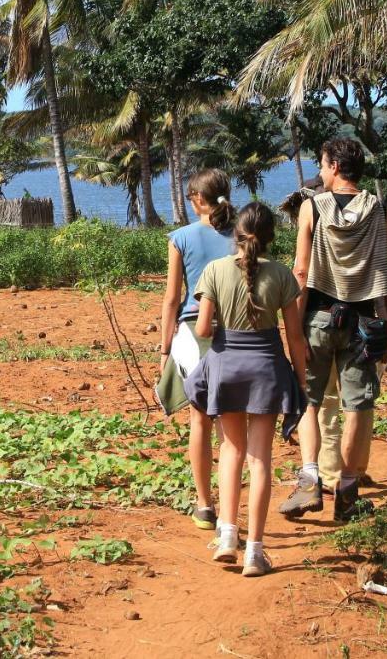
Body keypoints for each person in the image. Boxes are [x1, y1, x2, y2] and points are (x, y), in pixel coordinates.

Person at [280, 138, 387, 523]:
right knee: (358, 406)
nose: (319, 170)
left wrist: (294, 332)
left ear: (334, 166)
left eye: (321, 163)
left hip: (317, 316)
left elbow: (301, 271)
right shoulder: (380, 210)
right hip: (365, 323)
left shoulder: (311, 207)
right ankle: (347, 491)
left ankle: (310, 480)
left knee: (309, 400)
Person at [185, 202, 307, 577]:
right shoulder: (283, 275)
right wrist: (300, 379)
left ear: (236, 234)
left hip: (226, 367)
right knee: (260, 460)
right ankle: (254, 551)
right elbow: (295, 337)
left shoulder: (216, 271)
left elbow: (203, 330)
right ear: (270, 237)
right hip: (267, 369)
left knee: (231, 452)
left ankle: (226, 536)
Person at [156, 170, 237, 531]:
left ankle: (205, 505)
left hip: (191, 332)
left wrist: (164, 349)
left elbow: (173, 298)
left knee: (199, 419)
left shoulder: (181, 238)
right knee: (232, 424)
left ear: (198, 200)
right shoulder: (244, 234)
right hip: (236, 330)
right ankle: (233, 508)